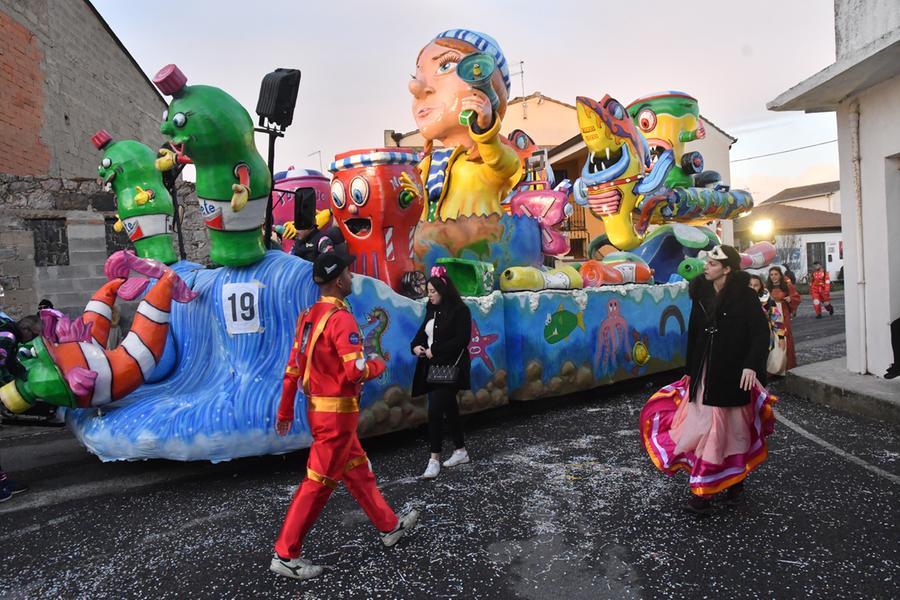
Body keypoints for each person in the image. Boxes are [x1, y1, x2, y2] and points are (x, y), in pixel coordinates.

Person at [271, 251, 419, 580]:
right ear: (338, 281)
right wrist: (379, 363)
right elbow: (355, 370)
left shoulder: (307, 317)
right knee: (317, 484)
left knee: (358, 474)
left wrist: (284, 410)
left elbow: (292, 370)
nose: (352, 277)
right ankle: (285, 553)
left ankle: (389, 526)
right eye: (349, 273)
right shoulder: (341, 319)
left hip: (321, 414)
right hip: (337, 417)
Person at [640, 245, 776, 516]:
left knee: (731, 429)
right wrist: (690, 369)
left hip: (733, 374)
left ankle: (733, 480)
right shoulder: (700, 292)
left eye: (713, 263)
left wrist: (751, 366)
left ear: (727, 269)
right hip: (704, 372)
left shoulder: (746, 297)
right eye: (708, 262)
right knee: (705, 426)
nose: (706, 266)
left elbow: (761, 335)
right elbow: (694, 334)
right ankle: (703, 490)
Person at [401, 29, 522, 221]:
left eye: (445, 65)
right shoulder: (425, 165)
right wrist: (414, 197)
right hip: (432, 248)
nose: (414, 87)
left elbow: (508, 166)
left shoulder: (489, 158)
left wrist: (486, 132)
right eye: (416, 77)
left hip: (479, 249)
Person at [410, 265, 473, 479]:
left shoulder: (460, 310)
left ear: (443, 291)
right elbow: (422, 333)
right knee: (449, 408)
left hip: (451, 367)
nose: (430, 295)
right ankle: (460, 450)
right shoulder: (431, 309)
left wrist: (433, 350)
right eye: (428, 292)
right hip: (433, 368)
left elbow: (462, 340)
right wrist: (416, 346)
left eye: (433, 291)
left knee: (435, 410)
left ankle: (434, 459)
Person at [750, 274, 787, 376]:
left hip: (763, 337)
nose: (752, 288)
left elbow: (777, 320)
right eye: (750, 285)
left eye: (756, 285)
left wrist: (781, 337)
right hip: (745, 338)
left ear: (760, 286)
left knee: (761, 365)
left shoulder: (768, 301)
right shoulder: (739, 300)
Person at [767, 266, 801, 370]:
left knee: (784, 337)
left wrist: (790, 299)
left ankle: (785, 366)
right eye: (771, 274)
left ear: (780, 275)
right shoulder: (766, 287)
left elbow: (796, 297)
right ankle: (773, 367)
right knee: (772, 338)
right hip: (771, 313)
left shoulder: (787, 286)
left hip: (783, 313)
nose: (773, 277)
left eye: (776, 274)